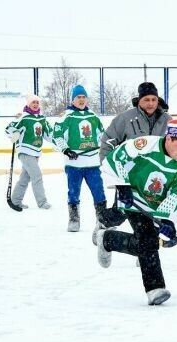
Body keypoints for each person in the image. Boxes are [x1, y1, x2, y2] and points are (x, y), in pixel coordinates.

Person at [96, 119, 177, 306]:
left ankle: (106, 238)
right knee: (147, 239)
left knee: (145, 242)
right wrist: (121, 184)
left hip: (152, 205)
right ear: (169, 138)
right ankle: (155, 288)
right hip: (132, 193)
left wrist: (167, 221)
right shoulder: (145, 145)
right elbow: (115, 158)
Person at [52, 84, 107, 232]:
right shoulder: (67, 116)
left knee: (98, 191)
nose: (81, 100)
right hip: (74, 164)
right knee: (73, 192)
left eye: (83, 97)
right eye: (78, 97)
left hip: (93, 163)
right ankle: (74, 219)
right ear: (73, 100)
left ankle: (102, 220)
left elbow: (103, 135)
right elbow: (56, 135)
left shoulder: (93, 116)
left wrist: (107, 146)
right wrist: (66, 150)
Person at [99, 82, 171, 163]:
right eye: (146, 99)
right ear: (139, 100)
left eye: (154, 100)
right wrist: (106, 166)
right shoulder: (125, 118)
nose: (151, 103)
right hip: (130, 170)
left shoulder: (168, 120)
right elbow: (108, 142)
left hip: (158, 171)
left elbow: (175, 146)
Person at [4, 94, 53, 209]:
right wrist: (14, 133)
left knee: (25, 178)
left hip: (36, 153)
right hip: (25, 151)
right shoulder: (24, 117)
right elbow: (8, 129)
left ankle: (15, 201)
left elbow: (49, 134)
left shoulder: (42, 118)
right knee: (37, 175)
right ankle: (42, 202)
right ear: (28, 104)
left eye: (37, 102)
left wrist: (59, 140)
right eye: (33, 102)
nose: (35, 104)